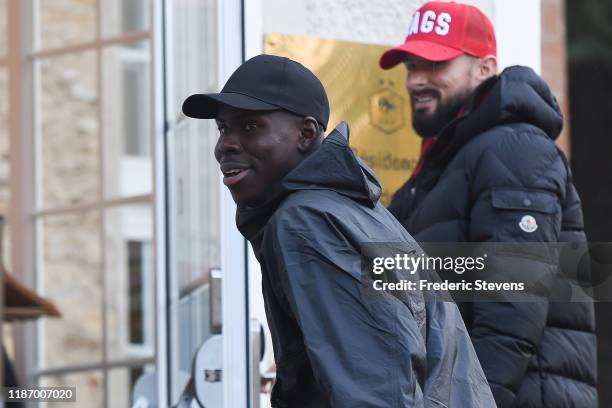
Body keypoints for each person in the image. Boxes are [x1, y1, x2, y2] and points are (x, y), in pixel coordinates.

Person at [183, 54, 495, 407]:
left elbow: (374, 390)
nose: (226, 144)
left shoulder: (307, 221)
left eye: (250, 126)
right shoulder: (349, 211)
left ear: (306, 134)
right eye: (224, 128)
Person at [379, 1, 597, 407]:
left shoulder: (514, 150)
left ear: (485, 68)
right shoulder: (443, 166)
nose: (415, 80)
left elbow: (511, 312)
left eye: (434, 64)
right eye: (411, 66)